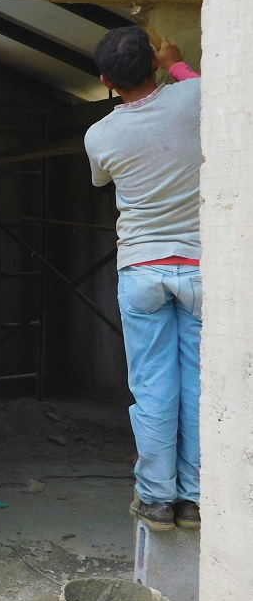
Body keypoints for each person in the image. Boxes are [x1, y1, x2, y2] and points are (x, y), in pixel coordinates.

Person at [84, 27, 202, 531]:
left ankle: (157, 499)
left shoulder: (99, 135)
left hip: (141, 270)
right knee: (200, 386)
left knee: (154, 388)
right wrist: (178, 64)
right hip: (200, 268)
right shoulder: (194, 96)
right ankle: (195, 499)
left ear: (106, 81)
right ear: (155, 62)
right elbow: (215, 92)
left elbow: (101, 179)